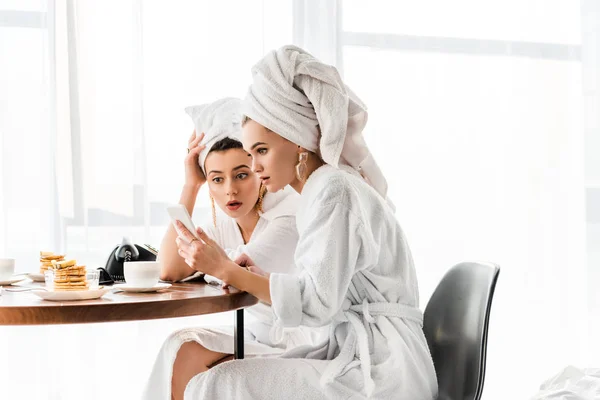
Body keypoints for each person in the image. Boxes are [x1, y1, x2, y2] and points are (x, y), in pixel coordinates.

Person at [166, 47, 438, 399]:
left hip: (386, 367)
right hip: (360, 351)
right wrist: (261, 277)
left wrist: (228, 270)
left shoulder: (334, 190)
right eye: (251, 154)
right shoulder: (323, 189)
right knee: (216, 377)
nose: (256, 166)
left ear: (296, 141)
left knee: (222, 382)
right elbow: (323, 289)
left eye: (262, 151)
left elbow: (315, 303)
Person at [145, 97, 324, 400]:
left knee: (198, 365)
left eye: (241, 175)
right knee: (179, 347)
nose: (230, 189)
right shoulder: (227, 223)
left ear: (259, 169)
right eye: (217, 179)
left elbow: (233, 271)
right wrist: (191, 186)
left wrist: (210, 263)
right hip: (255, 334)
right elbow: (170, 269)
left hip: (298, 342)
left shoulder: (289, 215)